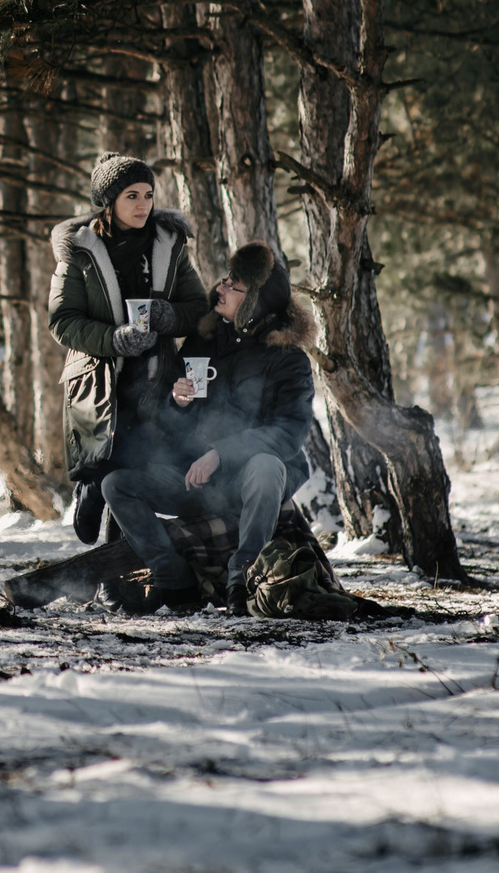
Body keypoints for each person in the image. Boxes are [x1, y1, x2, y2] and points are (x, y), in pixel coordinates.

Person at [99, 241, 316, 612]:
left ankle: (241, 577)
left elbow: (288, 433)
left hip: (246, 480)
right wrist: (178, 401)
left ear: (256, 302)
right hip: (197, 478)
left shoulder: (288, 360)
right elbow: (177, 421)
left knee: (267, 466)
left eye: (234, 285)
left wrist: (220, 454)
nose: (222, 288)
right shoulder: (204, 339)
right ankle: (173, 577)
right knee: (117, 485)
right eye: (225, 279)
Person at [46, 154, 211, 545]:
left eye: (149, 195)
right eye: (131, 195)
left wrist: (167, 315)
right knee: (107, 460)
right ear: (109, 201)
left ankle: (118, 570)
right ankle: (90, 488)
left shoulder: (170, 245)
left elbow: (198, 310)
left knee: (137, 469)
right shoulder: (79, 251)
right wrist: (114, 339)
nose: (143, 205)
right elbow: (62, 321)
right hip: (100, 379)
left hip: (156, 376)